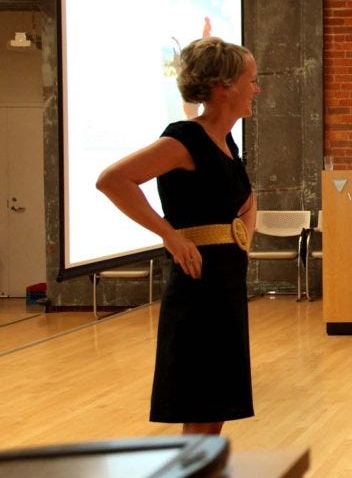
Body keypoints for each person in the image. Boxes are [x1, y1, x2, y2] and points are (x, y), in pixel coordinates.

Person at [95, 37, 259, 435]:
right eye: (251, 80)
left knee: (216, 403)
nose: (257, 88)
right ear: (225, 87)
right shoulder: (185, 139)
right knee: (201, 404)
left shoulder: (227, 143)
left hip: (224, 282)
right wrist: (170, 236)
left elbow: (244, 199)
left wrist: (243, 237)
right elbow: (113, 180)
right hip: (198, 287)